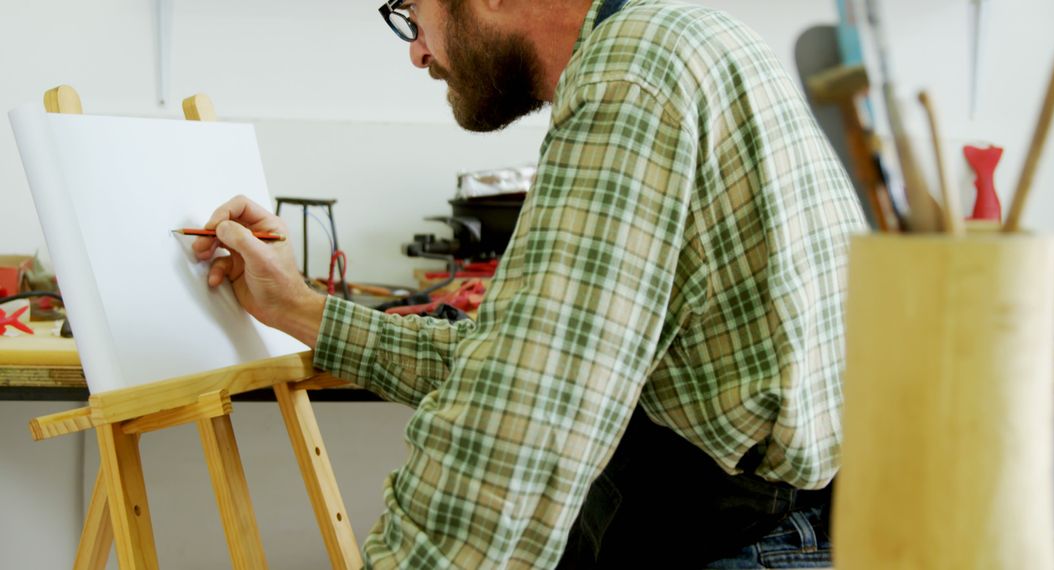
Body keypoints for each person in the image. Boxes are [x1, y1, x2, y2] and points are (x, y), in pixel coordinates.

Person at [193, 0, 867, 567]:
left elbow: (526, 412)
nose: (417, 53)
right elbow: (515, 359)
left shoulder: (632, 74)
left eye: (413, 12)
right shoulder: (692, 37)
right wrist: (303, 309)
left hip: (745, 542)